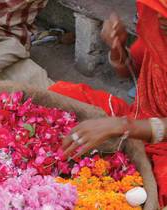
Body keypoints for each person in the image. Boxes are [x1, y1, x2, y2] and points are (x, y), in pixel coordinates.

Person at [48, 0, 167, 206]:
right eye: (158, 12)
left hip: (156, 136)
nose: (159, 19)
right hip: (138, 116)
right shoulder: (156, 29)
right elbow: (129, 70)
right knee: (61, 94)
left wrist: (123, 126)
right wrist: (116, 49)